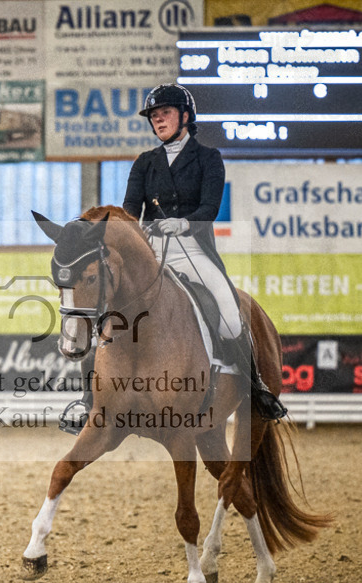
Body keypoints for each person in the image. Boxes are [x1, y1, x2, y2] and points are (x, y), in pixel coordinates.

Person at [59, 83, 285, 434]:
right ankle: (88, 402)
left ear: (185, 116)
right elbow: (129, 211)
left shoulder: (208, 158)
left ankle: (256, 388)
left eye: (165, 113)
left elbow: (210, 207)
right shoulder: (145, 162)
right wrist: (129, 232)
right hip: (152, 253)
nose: (158, 120)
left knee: (230, 314)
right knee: (103, 319)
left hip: (193, 249)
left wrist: (184, 223)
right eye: (154, 116)